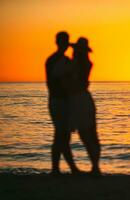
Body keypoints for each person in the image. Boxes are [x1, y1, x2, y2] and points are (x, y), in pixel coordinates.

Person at [54, 37, 101, 174]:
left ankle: (95, 168)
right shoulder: (85, 63)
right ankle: (95, 167)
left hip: (78, 100)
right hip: (83, 98)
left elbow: (58, 73)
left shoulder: (75, 64)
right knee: (91, 134)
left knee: (86, 135)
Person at [45, 31, 79, 174]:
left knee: (64, 135)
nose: (65, 44)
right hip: (58, 100)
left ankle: (68, 168)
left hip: (61, 100)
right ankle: (57, 169)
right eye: (64, 41)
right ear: (59, 43)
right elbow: (55, 82)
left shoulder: (59, 59)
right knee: (60, 135)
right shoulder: (56, 60)